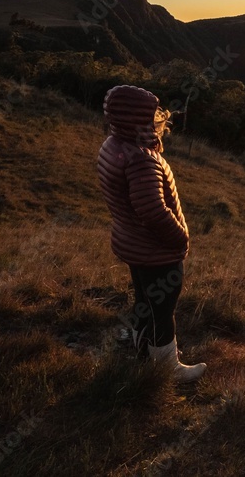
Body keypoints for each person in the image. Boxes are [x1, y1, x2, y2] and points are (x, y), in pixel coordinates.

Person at [96, 84, 205, 383]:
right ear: (137, 121)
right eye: (152, 116)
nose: (158, 120)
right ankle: (168, 368)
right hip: (156, 251)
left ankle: (140, 343)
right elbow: (152, 210)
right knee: (163, 307)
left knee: (145, 298)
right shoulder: (141, 158)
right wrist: (179, 238)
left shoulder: (113, 144)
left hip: (133, 244)